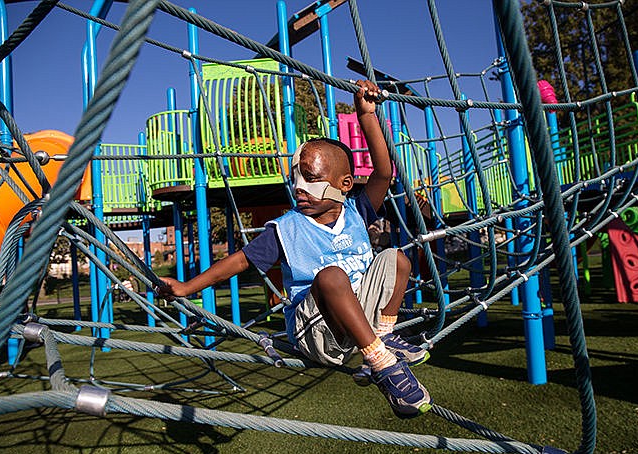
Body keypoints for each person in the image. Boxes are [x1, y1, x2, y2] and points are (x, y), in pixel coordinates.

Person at [158, 80, 432, 419]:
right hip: (317, 332)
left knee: (397, 259)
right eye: (296, 180)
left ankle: (382, 338)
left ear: (344, 185)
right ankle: (382, 362)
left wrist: (366, 115)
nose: (299, 189)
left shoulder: (357, 212)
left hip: (358, 321)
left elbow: (384, 172)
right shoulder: (287, 228)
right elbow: (240, 261)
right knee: (332, 277)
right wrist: (185, 288)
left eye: (310, 179)